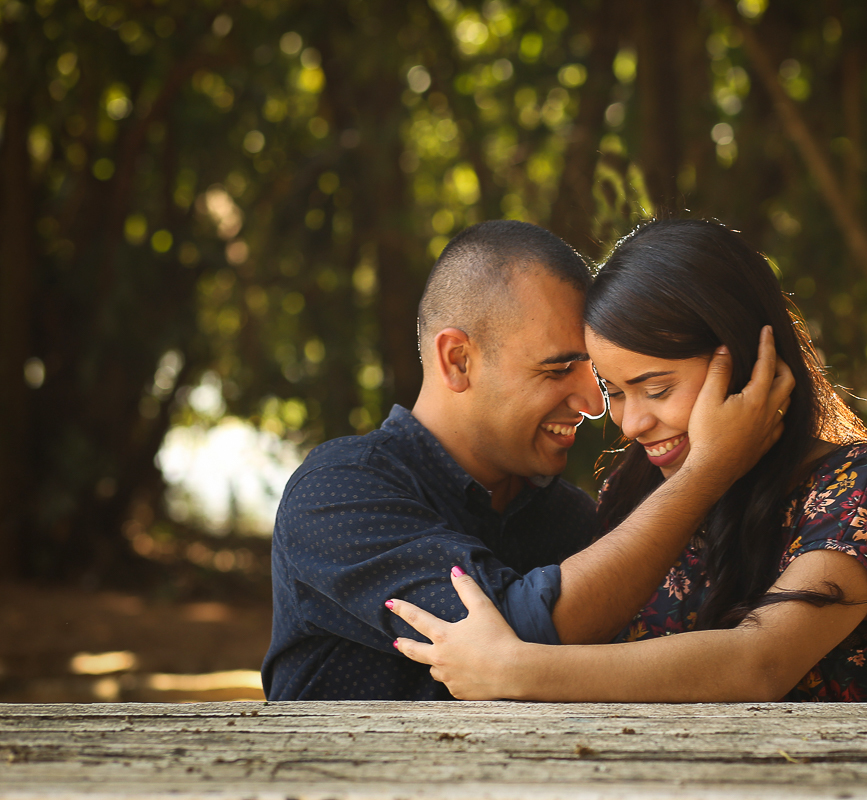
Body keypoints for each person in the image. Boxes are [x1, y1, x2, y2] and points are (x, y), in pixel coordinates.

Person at [390, 218, 867, 702]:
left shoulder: (860, 485)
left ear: (748, 362)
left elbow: (761, 664)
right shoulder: (635, 492)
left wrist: (515, 669)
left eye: (655, 389)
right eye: (617, 392)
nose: (631, 426)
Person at [262, 220, 794, 700]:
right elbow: (514, 629)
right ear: (458, 359)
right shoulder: (339, 491)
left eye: (593, 375)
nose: (592, 406)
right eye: (558, 369)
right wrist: (708, 469)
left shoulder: (573, 521)